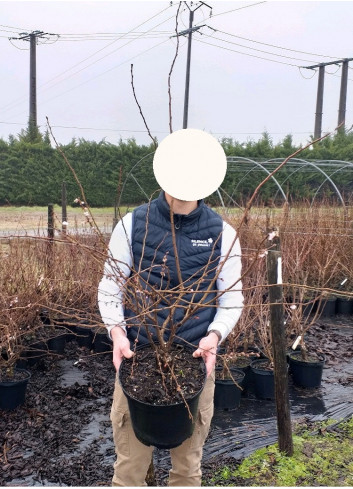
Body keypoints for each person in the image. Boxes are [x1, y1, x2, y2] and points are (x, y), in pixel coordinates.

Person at [98, 129, 244, 487]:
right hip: (138, 361)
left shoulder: (222, 234)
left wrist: (214, 336)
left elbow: (231, 298)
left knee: (187, 471)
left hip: (194, 364)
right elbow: (110, 286)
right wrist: (117, 333)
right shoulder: (133, 224)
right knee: (129, 471)